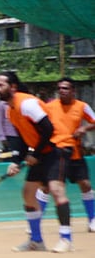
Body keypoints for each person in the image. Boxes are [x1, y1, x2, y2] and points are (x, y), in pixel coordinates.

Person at [0, 71, 74, 253]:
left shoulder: (27, 103)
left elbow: (48, 128)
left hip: (57, 147)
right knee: (28, 193)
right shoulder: (10, 109)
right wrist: (16, 160)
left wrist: (35, 154)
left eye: (0, 85)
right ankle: (36, 241)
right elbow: (22, 139)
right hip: (42, 151)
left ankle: (66, 239)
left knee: (56, 189)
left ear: (12, 87)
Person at [42, 77, 95, 234]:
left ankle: (92, 219)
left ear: (73, 91)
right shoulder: (49, 107)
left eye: (65, 88)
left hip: (74, 153)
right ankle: (36, 220)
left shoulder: (82, 106)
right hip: (54, 153)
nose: (61, 91)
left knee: (85, 184)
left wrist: (84, 129)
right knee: (45, 187)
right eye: (59, 88)